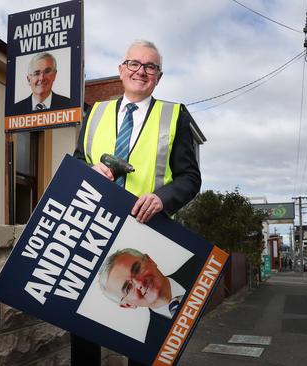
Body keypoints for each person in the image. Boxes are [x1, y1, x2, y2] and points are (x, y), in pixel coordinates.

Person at [72, 39, 202, 366]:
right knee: (82, 323)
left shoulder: (175, 115)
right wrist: (89, 171)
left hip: (146, 233)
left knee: (140, 339)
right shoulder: (95, 112)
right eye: (134, 64)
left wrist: (162, 198)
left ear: (158, 76)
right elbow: (77, 163)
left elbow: (190, 178)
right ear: (121, 70)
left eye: (150, 67)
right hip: (95, 230)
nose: (140, 71)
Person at [97, 248, 199, 345]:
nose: (140, 283)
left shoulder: (202, 262)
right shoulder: (155, 347)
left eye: (137, 270)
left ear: (150, 261)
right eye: (128, 288)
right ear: (128, 305)